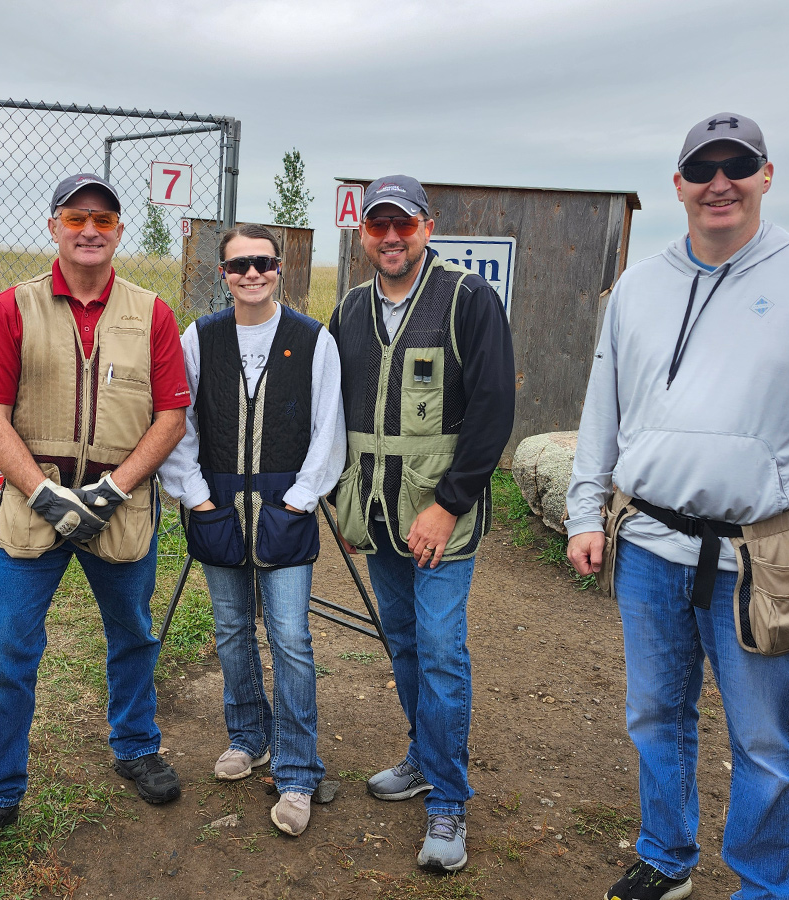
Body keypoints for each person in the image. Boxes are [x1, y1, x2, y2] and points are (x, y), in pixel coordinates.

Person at [566, 114, 789, 900]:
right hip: (647, 544)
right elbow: (603, 407)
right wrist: (585, 510)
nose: (720, 181)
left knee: (761, 737)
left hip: (761, 554)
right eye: (702, 167)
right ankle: (667, 856)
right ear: (677, 185)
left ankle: (766, 883)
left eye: (736, 164)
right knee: (654, 717)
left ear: (766, 175)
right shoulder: (639, 287)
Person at [0, 173, 191, 867]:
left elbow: (171, 415)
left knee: (135, 636)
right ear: (53, 225)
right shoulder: (13, 308)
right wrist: (44, 494)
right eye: (77, 217)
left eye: (105, 220)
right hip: (35, 507)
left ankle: (137, 748)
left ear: (118, 233)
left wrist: (111, 491)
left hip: (120, 504)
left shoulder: (152, 313)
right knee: (5, 652)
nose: (91, 229)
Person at [329, 175, 515, 872]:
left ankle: (447, 802)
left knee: (440, 650)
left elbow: (494, 409)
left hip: (440, 518)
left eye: (402, 224)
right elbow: (330, 412)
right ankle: (421, 752)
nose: (390, 237)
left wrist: (449, 503)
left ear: (427, 228)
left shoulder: (468, 300)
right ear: (364, 234)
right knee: (402, 641)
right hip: (376, 516)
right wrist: (341, 499)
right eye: (377, 226)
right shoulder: (348, 310)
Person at [159, 224, 345, 837]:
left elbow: (328, 427)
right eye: (239, 266)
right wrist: (197, 494)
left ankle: (297, 770)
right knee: (233, 628)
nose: (252, 275)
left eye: (262, 263)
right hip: (218, 504)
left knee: (290, 636)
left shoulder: (312, 339)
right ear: (224, 274)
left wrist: (298, 500)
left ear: (280, 268)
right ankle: (247, 736)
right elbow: (178, 420)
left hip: (282, 506)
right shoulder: (201, 337)